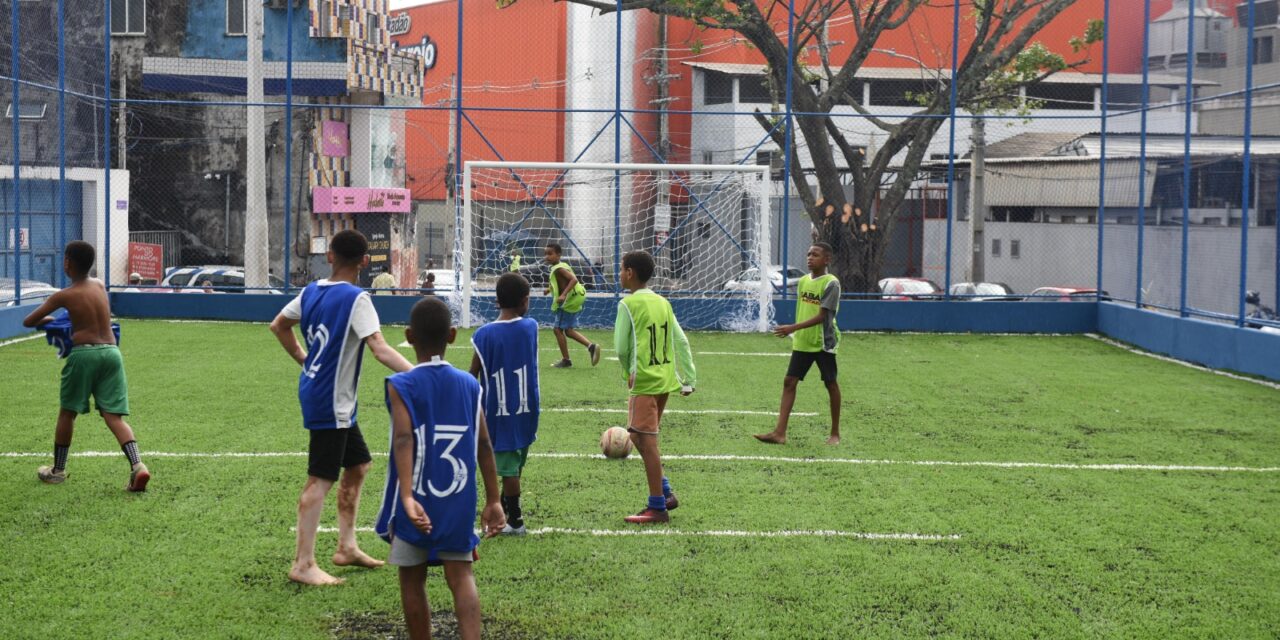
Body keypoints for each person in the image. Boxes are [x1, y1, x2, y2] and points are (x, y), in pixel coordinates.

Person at [269, 229, 415, 586]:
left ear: (330, 255)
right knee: (320, 479)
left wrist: (306, 359)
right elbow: (379, 349)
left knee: (359, 464)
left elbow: (279, 325)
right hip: (330, 399)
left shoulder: (311, 291)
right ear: (365, 261)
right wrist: (423, 373)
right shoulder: (358, 299)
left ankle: (346, 546)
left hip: (327, 395)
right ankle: (303, 564)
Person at [375, 297, 505, 640]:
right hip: (458, 501)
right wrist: (494, 499)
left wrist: (405, 496)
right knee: (461, 576)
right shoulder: (470, 385)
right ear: (451, 335)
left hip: (416, 500)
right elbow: (484, 444)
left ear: (408, 336)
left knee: (411, 578)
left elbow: (404, 439)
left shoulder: (400, 384)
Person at [21, 241, 150, 491]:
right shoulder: (99, 284)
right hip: (112, 353)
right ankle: (138, 466)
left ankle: (57, 470)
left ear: (68, 262)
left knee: (67, 413)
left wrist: (51, 320)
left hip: (84, 355)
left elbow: (29, 320)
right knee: (113, 416)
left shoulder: (64, 295)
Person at [613, 251, 695, 524]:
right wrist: (689, 378)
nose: (620, 272)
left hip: (645, 381)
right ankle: (666, 492)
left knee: (646, 443)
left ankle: (657, 507)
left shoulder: (628, 304)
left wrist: (628, 372)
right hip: (665, 380)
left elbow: (622, 347)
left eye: (621, 268)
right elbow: (681, 340)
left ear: (630, 273)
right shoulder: (663, 302)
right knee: (637, 436)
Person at [469, 273, 539, 535]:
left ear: (497, 301)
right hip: (527, 410)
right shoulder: (530, 327)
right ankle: (510, 512)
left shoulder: (483, 335)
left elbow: (473, 373)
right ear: (524, 301)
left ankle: (516, 521)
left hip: (498, 412)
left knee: (509, 469)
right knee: (515, 463)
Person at [755, 243, 842, 446]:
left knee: (830, 383)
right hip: (803, 341)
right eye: (808, 253)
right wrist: (796, 332)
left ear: (827, 259)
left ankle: (835, 433)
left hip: (823, 342)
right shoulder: (803, 281)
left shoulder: (832, 283)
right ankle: (779, 433)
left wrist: (792, 327)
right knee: (789, 382)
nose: (810, 257)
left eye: (815, 254)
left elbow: (822, 316)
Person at [544, 242, 599, 368]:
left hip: (568, 301)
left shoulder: (559, 268)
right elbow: (560, 283)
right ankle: (591, 347)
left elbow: (574, 280)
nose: (547, 256)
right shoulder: (560, 266)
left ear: (558, 255)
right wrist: (549, 289)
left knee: (557, 330)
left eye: (550, 254)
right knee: (568, 331)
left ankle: (566, 360)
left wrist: (563, 294)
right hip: (575, 299)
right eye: (546, 254)